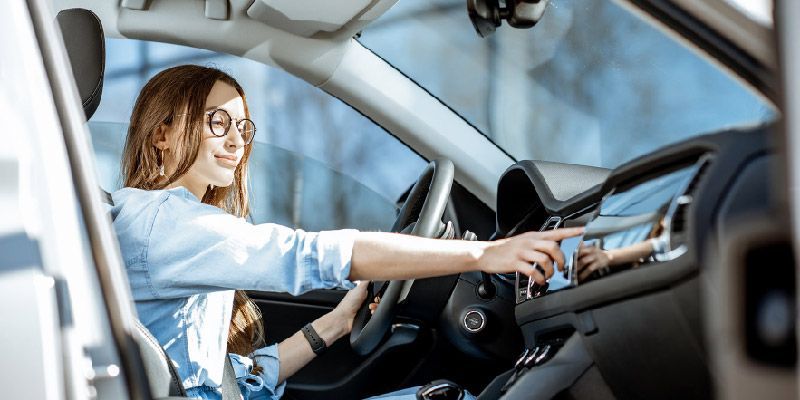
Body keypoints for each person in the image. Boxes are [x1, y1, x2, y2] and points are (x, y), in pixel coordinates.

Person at [110, 65, 582, 399]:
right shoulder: (167, 222)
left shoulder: (166, 223)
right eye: (218, 122)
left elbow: (230, 381)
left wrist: (336, 323)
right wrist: (484, 257)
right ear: (162, 134)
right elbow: (311, 254)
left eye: (243, 126)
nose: (237, 140)